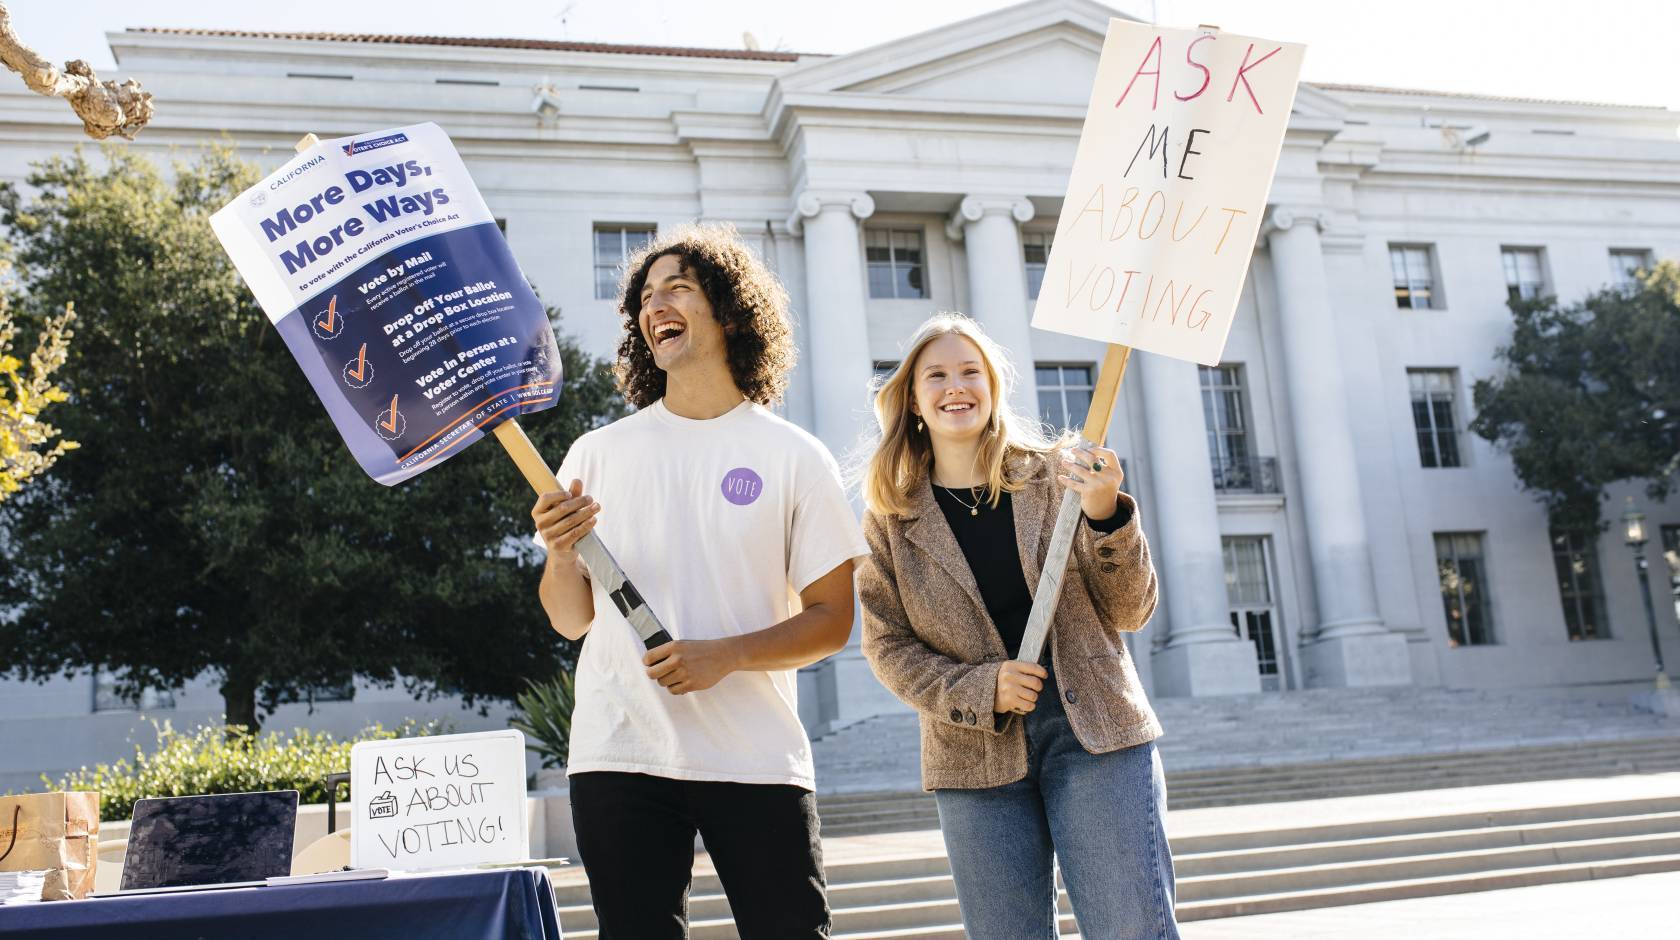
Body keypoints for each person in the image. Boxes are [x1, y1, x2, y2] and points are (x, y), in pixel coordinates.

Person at [530, 224, 868, 939]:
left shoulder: (793, 456)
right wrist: (562, 555)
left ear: (733, 312)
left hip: (756, 755)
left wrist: (727, 655)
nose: (656, 305)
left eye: (677, 287)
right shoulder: (598, 452)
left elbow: (832, 618)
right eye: (645, 298)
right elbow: (569, 618)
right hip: (620, 751)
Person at [856, 313, 1178, 939]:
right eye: (938, 375)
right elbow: (888, 647)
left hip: (1096, 735)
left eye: (971, 372)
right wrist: (982, 689)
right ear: (914, 401)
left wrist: (1106, 514)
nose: (957, 386)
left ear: (993, 388)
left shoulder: (1062, 476)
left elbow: (1130, 611)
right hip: (972, 757)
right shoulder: (890, 519)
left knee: (1131, 927)